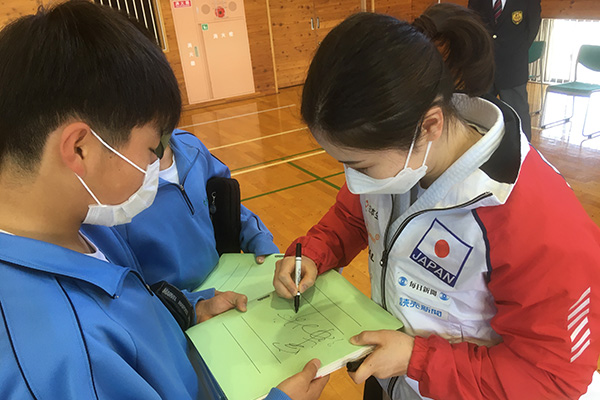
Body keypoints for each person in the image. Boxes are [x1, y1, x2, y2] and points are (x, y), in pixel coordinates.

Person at [0, 1, 328, 399]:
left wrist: (189, 310)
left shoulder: (64, 239)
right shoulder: (65, 352)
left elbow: (134, 323)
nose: (155, 164)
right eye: (151, 148)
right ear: (80, 148)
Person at [273, 4, 600, 400]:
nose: (354, 181)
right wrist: (312, 254)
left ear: (429, 126)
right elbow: (355, 215)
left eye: (358, 165)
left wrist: (416, 359)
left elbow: (551, 379)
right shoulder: (400, 153)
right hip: (392, 379)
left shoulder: (537, 221)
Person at [115, 128, 279, 292]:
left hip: (225, 282)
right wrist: (192, 306)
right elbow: (125, 290)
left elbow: (226, 204)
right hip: (174, 308)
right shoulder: (109, 189)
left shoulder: (190, 147)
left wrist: (259, 239)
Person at [468, 0, 542, 141]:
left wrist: (513, 53)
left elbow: (531, 30)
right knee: (480, 113)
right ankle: (482, 150)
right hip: (484, 67)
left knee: (518, 114)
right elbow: (473, 27)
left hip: (512, 68)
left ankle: (523, 152)